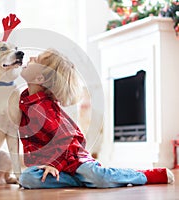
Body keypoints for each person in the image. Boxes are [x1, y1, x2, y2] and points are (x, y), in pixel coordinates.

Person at [18, 48, 174, 189]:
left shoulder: (44, 108)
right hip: (54, 165)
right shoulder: (25, 100)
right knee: (27, 178)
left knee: (100, 178)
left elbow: (67, 140)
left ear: (39, 78)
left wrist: (54, 165)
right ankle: (82, 180)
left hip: (73, 160)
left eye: (36, 60)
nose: (30, 57)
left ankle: (147, 175)